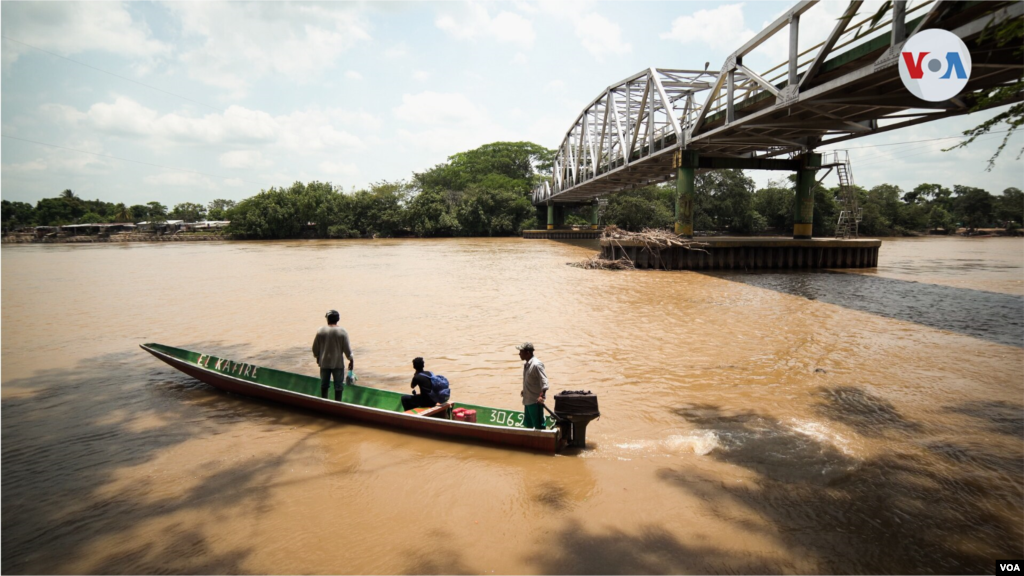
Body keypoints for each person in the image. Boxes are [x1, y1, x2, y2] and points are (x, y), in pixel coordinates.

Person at [312, 310, 353, 401]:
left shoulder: (321, 331)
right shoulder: (342, 331)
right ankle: (338, 404)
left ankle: (324, 403)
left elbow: (315, 348)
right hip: (338, 364)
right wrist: (351, 360)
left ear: (328, 319)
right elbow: (347, 350)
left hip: (324, 363)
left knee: (324, 385)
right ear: (337, 319)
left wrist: (317, 357)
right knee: (338, 386)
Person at [517, 342, 549, 429]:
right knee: (528, 424)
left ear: (528, 353)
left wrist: (541, 396)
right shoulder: (527, 364)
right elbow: (531, 380)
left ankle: (542, 441)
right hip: (527, 400)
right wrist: (525, 390)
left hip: (535, 402)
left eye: (521, 352)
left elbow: (544, 381)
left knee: (539, 425)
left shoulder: (536, 364)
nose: (519, 354)